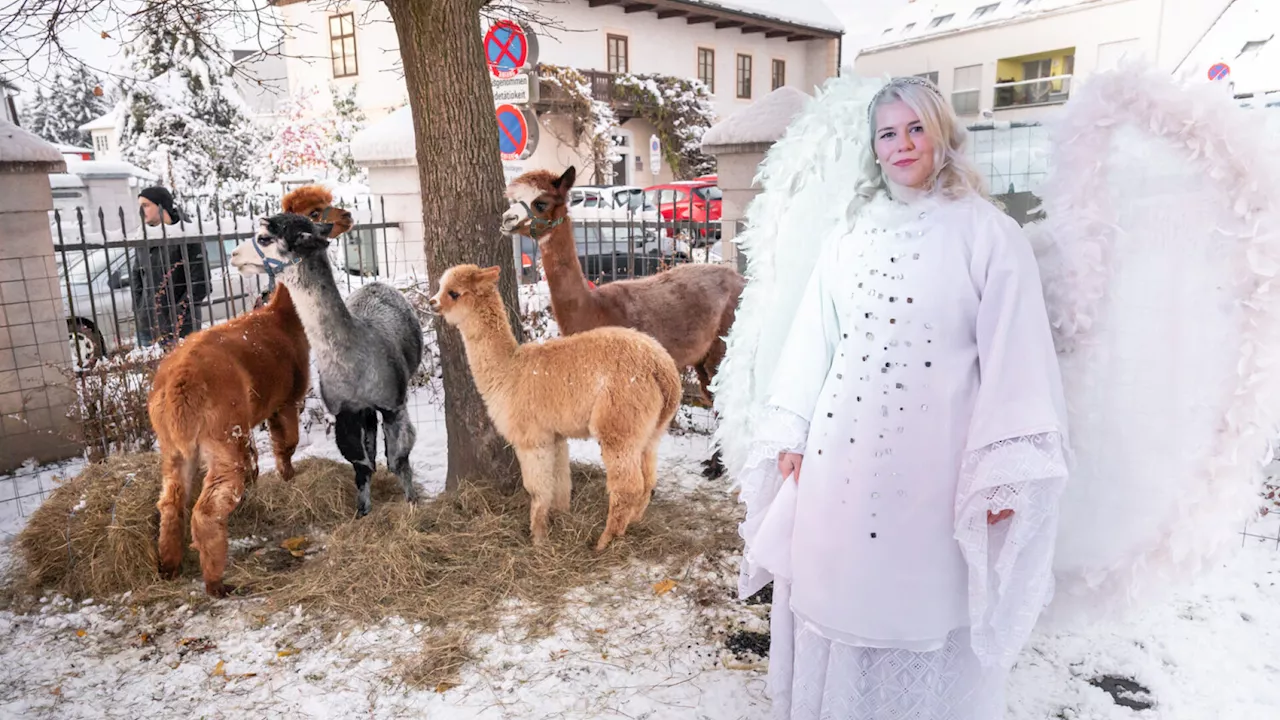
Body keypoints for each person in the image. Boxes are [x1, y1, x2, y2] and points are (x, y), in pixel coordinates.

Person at [741, 75, 1070, 719]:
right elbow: (815, 336)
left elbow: (1016, 356)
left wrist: (1002, 474)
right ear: (873, 147)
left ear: (942, 133)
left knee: (922, 599)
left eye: (915, 128)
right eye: (887, 133)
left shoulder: (987, 235)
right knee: (838, 590)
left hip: (936, 468)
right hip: (841, 460)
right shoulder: (850, 235)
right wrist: (794, 429)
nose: (902, 144)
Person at [134, 186, 210, 347]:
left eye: (146, 205)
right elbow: (137, 276)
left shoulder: (187, 234)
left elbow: (200, 282)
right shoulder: (143, 237)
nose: (141, 211)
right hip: (146, 325)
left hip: (180, 327)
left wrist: (178, 314)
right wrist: (140, 308)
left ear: (161, 206)